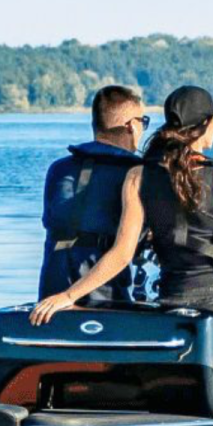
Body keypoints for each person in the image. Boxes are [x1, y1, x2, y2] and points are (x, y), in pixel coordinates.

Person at [31, 85, 213, 426]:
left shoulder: (137, 176)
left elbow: (120, 254)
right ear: (203, 126)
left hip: (171, 309)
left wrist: (67, 296)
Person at [37, 84, 150, 304]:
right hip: (102, 287)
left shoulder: (58, 169)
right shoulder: (134, 173)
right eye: (142, 122)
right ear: (131, 126)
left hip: (52, 285)